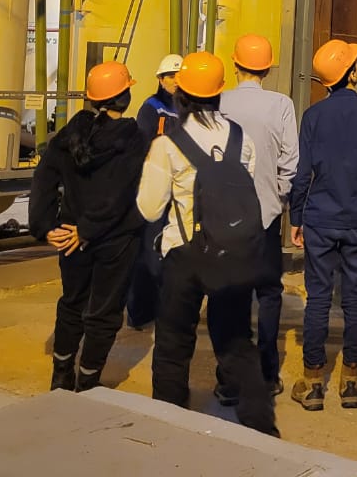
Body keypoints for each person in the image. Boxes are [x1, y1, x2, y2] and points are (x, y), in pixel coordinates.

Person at [134, 52, 274, 435]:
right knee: (235, 340)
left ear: (180, 93)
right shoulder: (241, 139)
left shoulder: (168, 143)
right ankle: (252, 422)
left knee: (173, 343)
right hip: (233, 251)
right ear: (219, 91)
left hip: (185, 253)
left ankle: (168, 422)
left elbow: (149, 208)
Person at [30, 61, 147, 392]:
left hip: (71, 237)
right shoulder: (133, 138)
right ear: (123, 97)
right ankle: (88, 381)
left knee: (72, 303)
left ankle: (61, 375)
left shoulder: (72, 133)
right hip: (114, 239)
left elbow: (44, 177)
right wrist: (88, 229)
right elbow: (119, 193)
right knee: (104, 313)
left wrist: (44, 225)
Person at [288, 38, 357, 411]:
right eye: (356, 62)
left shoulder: (313, 116)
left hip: (320, 218)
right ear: (351, 72)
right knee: (356, 300)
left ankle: (313, 381)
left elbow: (302, 174)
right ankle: (351, 382)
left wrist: (296, 217)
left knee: (318, 298)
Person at [214, 33, 299, 398]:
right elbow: (290, 163)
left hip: (223, 217)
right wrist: (276, 196)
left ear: (235, 64)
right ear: (267, 68)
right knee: (268, 293)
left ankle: (230, 379)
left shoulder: (218, 102)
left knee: (228, 295)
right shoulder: (281, 105)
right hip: (264, 216)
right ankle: (266, 373)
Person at [125, 53, 181, 330]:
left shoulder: (188, 109)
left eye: (179, 76)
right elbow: (141, 148)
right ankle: (139, 311)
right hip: (155, 189)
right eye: (170, 76)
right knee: (148, 250)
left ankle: (163, 307)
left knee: (172, 252)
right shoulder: (151, 109)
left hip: (179, 191)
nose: (175, 81)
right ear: (160, 79)